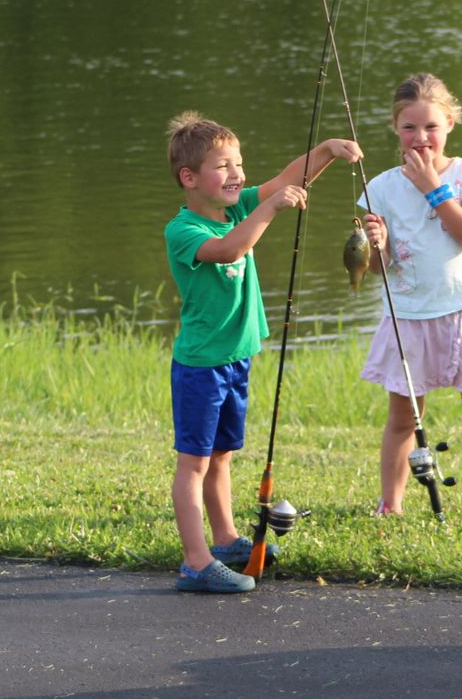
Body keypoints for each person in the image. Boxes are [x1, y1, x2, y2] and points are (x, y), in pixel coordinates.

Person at [164, 111, 362, 592]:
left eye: (239, 164)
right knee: (195, 463)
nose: (237, 174)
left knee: (224, 455)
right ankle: (196, 561)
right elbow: (232, 249)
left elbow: (283, 181)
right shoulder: (185, 230)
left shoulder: (236, 209)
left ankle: (227, 538)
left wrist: (326, 152)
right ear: (189, 178)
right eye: (223, 166)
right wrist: (271, 208)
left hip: (236, 359)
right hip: (201, 367)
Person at [359, 73, 462, 517]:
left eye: (431, 126)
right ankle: (390, 503)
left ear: (449, 122)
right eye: (409, 127)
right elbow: (378, 268)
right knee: (404, 419)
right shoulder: (381, 187)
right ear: (395, 127)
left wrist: (435, 190)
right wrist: (377, 244)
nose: (421, 137)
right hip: (408, 315)